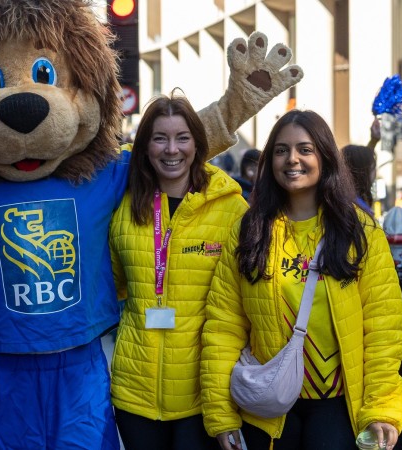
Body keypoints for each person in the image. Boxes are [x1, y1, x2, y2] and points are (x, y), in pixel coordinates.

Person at [200, 109, 402, 450]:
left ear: (324, 156)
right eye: (281, 150)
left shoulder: (360, 230)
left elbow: (384, 328)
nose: (292, 159)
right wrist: (221, 415)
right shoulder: (249, 231)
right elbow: (223, 328)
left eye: (304, 149)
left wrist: (382, 407)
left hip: (338, 405)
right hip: (266, 408)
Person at [109, 92, 248, 450]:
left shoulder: (231, 208)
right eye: (160, 138)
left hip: (201, 394)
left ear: (198, 144)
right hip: (133, 390)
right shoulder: (123, 204)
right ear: (145, 146)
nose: (172, 149)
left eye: (182, 137)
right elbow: (112, 285)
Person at [342, 144, 376, 214]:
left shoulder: (342, 200)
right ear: (363, 172)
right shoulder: (357, 208)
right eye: (373, 168)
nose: (376, 173)